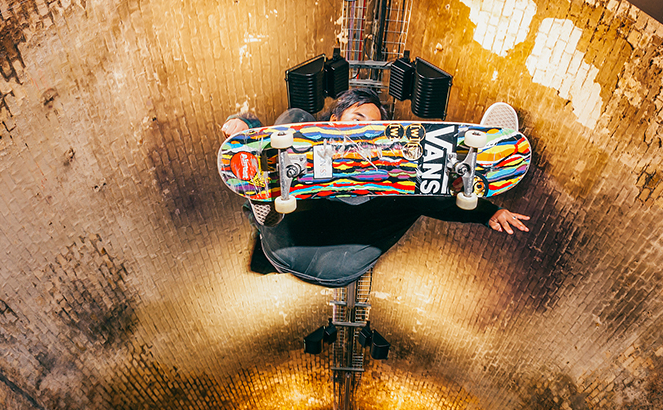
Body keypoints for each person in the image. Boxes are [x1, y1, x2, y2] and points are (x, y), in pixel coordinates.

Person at [221, 89, 532, 287]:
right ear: (333, 119)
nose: (364, 130)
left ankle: (461, 167)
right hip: (292, 238)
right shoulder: (310, 138)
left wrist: (487, 212)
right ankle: (270, 195)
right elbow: (267, 133)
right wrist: (245, 128)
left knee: (409, 185)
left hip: (340, 260)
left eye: (372, 128)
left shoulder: (397, 172)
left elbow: (436, 203)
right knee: (295, 121)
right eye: (357, 119)